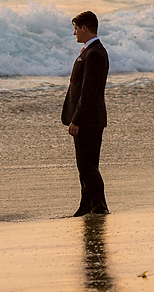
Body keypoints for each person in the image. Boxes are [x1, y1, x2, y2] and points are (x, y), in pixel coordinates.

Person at [62, 11, 110, 216]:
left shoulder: (95, 53)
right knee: (86, 166)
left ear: (84, 28)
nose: (74, 33)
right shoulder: (89, 51)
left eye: (75, 28)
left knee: (87, 165)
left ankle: (99, 205)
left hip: (89, 119)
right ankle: (87, 204)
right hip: (88, 118)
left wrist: (77, 120)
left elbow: (89, 91)